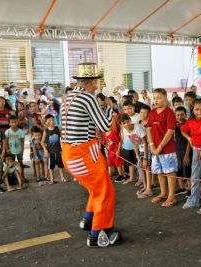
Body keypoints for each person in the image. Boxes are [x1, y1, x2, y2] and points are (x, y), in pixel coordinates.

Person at [61, 63, 121, 247]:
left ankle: (89, 219)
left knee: (96, 189)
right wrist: (110, 107)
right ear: (92, 82)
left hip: (70, 153)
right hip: (84, 153)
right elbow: (104, 126)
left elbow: (90, 119)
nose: (97, 86)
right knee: (105, 191)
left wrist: (101, 107)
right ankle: (99, 234)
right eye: (96, 82)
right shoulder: (87, 98)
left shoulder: (68, 97)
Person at [147, 88, 178, 208]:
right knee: (159, 171)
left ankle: (171, 195)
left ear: (165, 97)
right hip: (155, 149)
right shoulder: (152, 112)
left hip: (167, 149)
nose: (156, 100)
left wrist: (159, 147)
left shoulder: (169, 112)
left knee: (169, 172)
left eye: (158, 97)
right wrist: (151, 145)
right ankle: (163, 192)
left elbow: (170, 131)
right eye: (154, 98)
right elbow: (149, 129)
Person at [42, 114, 67, 184]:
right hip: (50, 152)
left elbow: (63, 138)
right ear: (46, 122)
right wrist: (45, 150)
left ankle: (62, 177)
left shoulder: (57, 129)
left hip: (58, 150)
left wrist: (64, 147)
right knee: (51, 166)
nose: (52, 122)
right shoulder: (46, 131)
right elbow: (42, 142)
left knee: (60, 165)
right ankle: (52, 179)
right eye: (49, 121)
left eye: (53, 120)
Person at [174, 106, 191, 196]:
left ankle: (190, 189)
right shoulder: (175, 125)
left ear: (185, 115)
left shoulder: (188, 125)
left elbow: (189, 141)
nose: (179, 117)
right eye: (177, 115)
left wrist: (187, 155)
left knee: (187, 170)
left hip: (186, 151)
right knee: (179, 170)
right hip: (177, 151)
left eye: (182, 115)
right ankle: (182, 188)